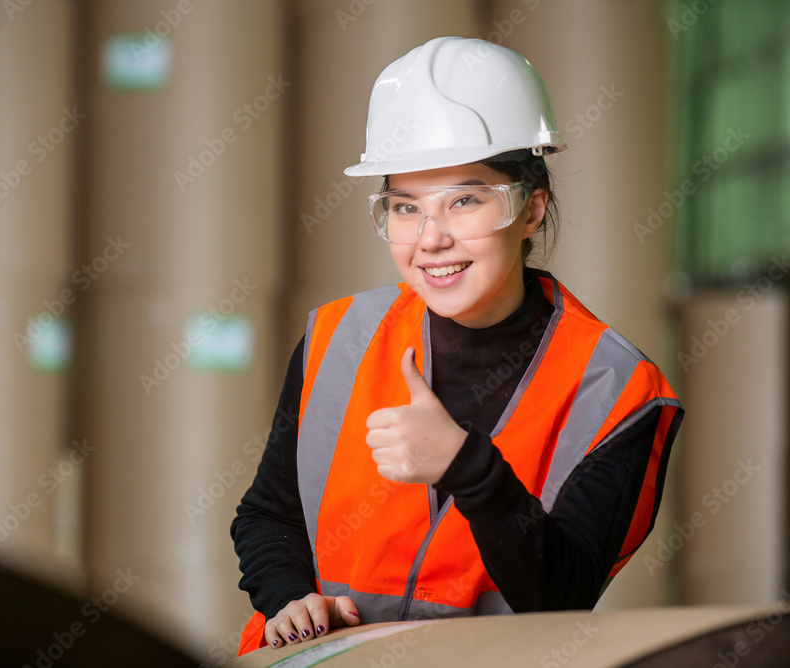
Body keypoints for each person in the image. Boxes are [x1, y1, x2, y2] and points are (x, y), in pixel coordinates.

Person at [230, 36, 683, 654]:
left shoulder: (617, 389)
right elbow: (267, 514)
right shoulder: (339, 338)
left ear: (530, 210)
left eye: (465, 201)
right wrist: (289, 600)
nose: (430, 238)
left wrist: (467, 469)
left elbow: (562, 594)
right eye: (405, 207)